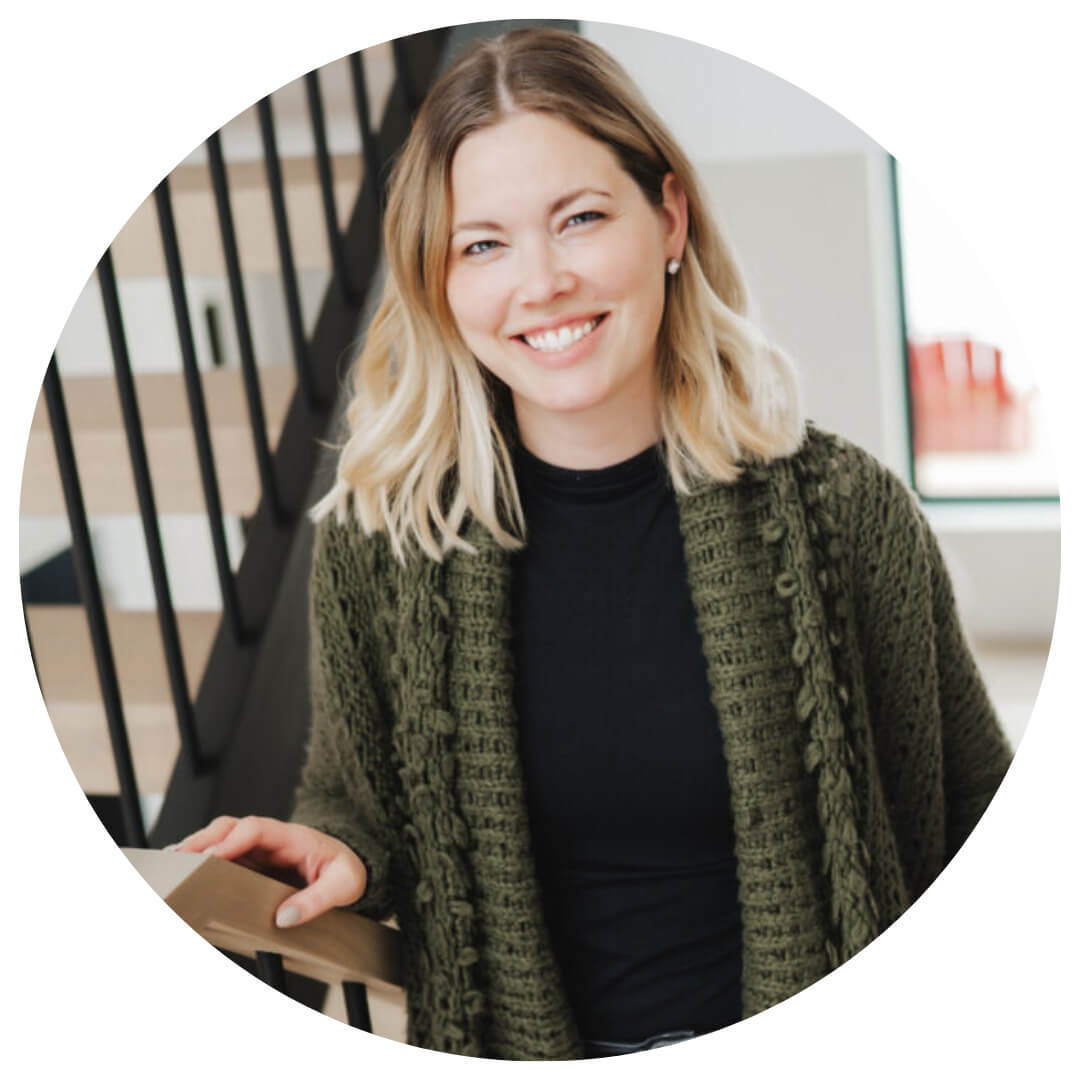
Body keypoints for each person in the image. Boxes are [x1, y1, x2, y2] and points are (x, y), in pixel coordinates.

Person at [174, 27, 1014, 1060]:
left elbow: (977, 815)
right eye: (483, 243)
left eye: (578, 219)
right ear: (439, 281)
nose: (542, 283)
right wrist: (339, 848)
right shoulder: (383, 544)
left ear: (667, 216)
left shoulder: (845, 511)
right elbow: (359, 798)